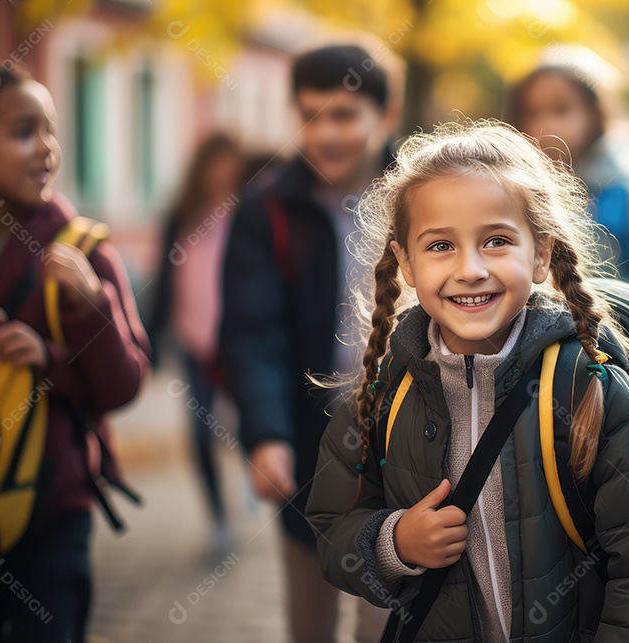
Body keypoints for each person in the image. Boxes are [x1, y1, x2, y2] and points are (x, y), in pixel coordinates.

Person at [305, 120, 629, 641]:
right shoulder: (383, 396)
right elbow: (333, 528)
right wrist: (393, 543)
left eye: (495, 241)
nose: (469, 269)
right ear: (404, 261)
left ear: (540, 254)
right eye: (440, 246)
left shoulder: (587, 387)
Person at [0, 66, 150, 642]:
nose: (47, 147)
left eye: (50, 130)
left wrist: (65, 337)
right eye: (23, 132)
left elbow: (124, 384)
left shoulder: (81, 251)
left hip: (52, 504)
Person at [218, 44, 399, 642]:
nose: (325, 134)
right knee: (310, 620)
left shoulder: (427, 200)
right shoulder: (267, 208)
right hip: (309, 438)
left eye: (344, 115)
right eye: (310, 115)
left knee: (390, 620)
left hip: (411, 436)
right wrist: (267, 435)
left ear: (386, 114)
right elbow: (253, 332)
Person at [509, 48, 629, 310]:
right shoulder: (512, 189)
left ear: (594, 114)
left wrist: (581, 297)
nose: (545, 124)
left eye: (561, 109)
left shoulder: (627, 185)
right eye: (533, 112)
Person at [148, 132, 243, 557]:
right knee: (201, 434)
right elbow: (164, 280)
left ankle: (257, 490)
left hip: (240, 343)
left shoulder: (249, 214)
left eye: (229, 164)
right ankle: (220, 518)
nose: (221, 173)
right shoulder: (182, 216)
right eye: (214, 164)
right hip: (193, 343)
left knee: (248, 427)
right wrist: (149, 339)